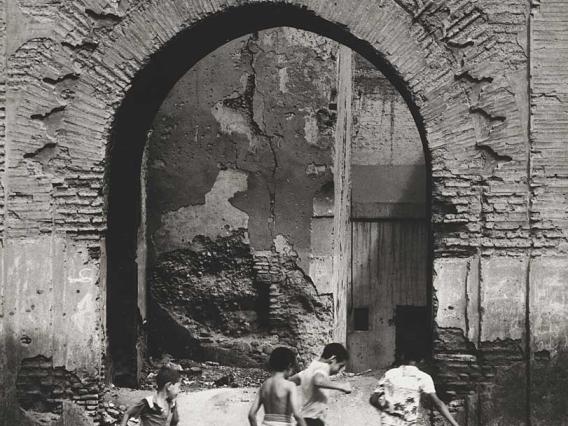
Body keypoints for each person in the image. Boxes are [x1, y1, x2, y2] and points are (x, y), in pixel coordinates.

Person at [369, 346, 459, 426]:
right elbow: (438, 404)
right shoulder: (423, 378)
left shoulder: (390, 374)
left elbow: (373, 399)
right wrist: (454, 424)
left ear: (402, 356)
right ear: (421, 360)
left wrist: (386, 410)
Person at [289, 343, 352, 426]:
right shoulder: (323, 367)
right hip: (313, 421)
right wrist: (341, 386)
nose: (338, 371)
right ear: (333, 359)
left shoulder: (310, 369)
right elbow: (318, 380)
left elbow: (290, 381)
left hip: (304, 420)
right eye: (340, 366)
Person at [248, 346, 307, 426]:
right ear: (289, 366)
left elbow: (251, 415)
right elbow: (297, 415)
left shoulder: (265, 385)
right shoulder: (290, 385)